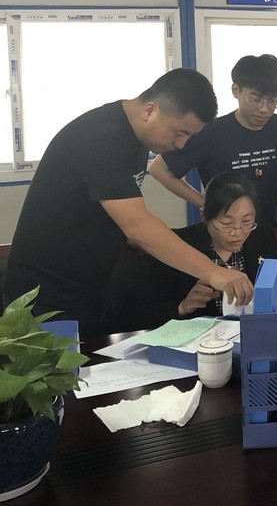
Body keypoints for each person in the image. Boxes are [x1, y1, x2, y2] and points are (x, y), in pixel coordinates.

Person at [2, 69, 253, 338]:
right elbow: (137, 225)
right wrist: (215, 272)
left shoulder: (137, 138)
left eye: (189, 137)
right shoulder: (102, 138)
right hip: (45, 292)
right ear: (150, 110)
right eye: (180, 133)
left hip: (91, 285)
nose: (181, 144)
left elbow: (116, 216)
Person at [149, 54, 277, 232]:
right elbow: (159, 169)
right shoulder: (210, 133)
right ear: (236, 90)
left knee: (269, 251)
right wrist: (205, 204)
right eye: (256, 99)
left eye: (272, 100)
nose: (264, 109)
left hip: (268, 229)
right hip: (225, 232)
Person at [110, 172, 277, 330]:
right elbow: (135, 315)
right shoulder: (178, 249)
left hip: (255, 334)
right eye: (226, 224)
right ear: (204, 215)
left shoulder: (264, 239)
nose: (237, 232)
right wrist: (182, 307)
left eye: (247, 222)